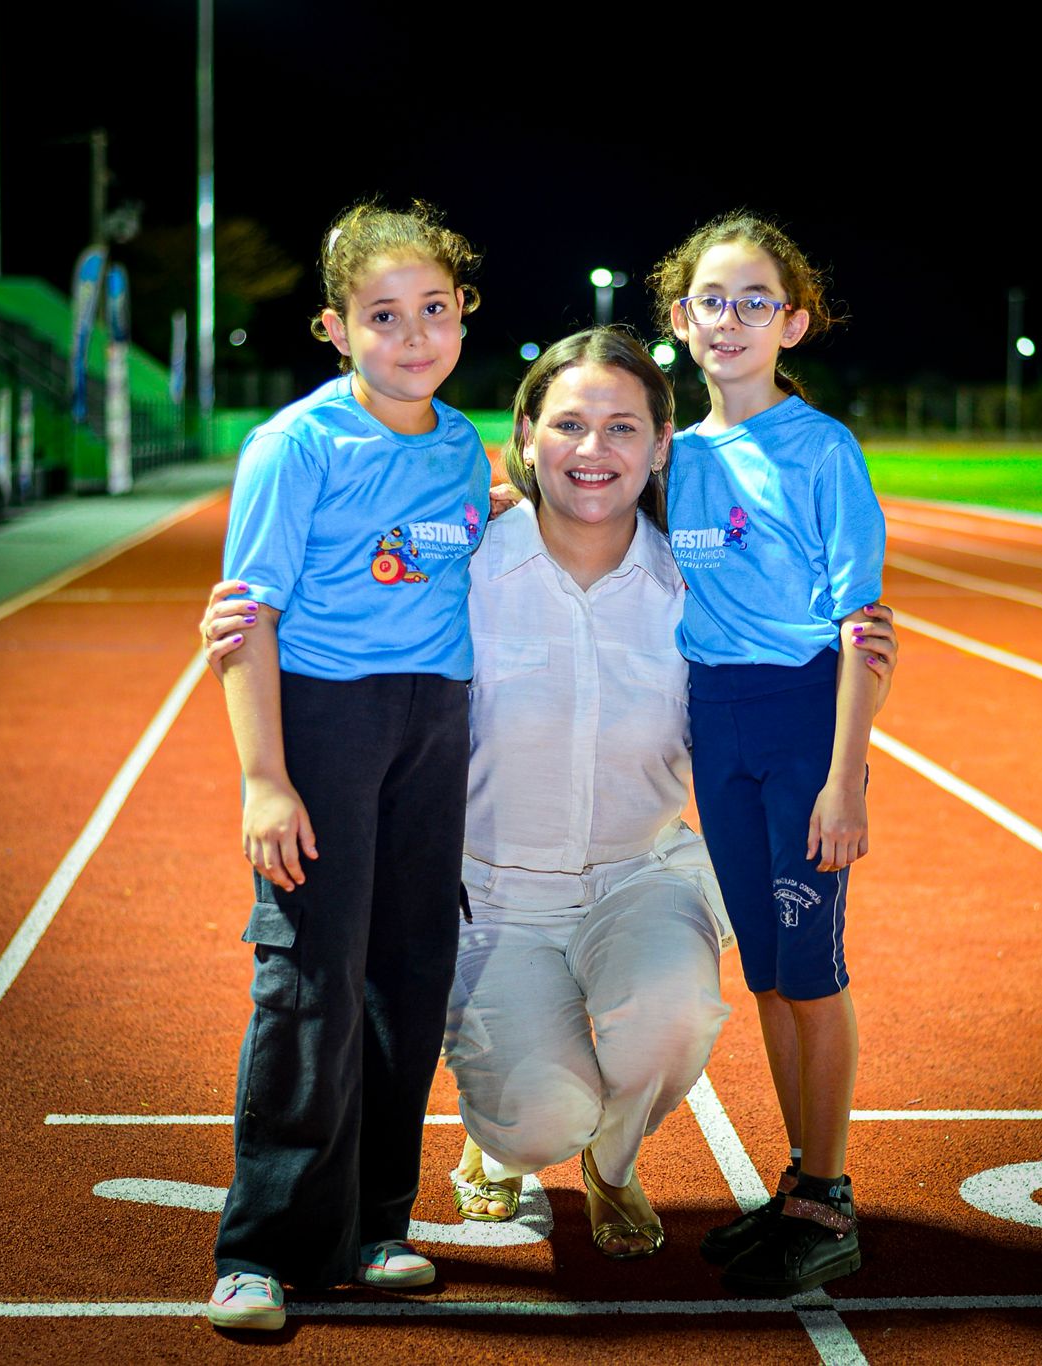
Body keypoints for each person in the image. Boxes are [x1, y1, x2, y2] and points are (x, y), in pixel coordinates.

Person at [198, 331, 900, 1263]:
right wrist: (244, 619)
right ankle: (500, 1144)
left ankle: (613, 1162)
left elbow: (799, 649)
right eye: (568, 424)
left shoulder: (696, 580)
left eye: (622, 428)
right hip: (496, 899)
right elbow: (349, 602)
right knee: (538, 1119)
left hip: (639, 879)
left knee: (676, 1018)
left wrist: (859, 688)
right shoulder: (467, 564)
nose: (593, 449)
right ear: (526, 436)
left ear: (662, 445)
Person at [202, 201, 486, 1332]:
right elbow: (247, 617)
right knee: (311, 978)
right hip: (327, 723)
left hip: (436, 726)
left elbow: (457, 540)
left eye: (434, 309)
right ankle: (261, 1249)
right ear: (334, 327)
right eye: (383, 315)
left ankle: (375, 1221)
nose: (413, 336)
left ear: (463, 313)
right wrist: (264, 778)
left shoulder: (461, 443)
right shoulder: (296, 445)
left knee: (409, 975)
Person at [651, 213, 888, 1297]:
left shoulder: (820, 449)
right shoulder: (676, 456)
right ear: (680, 318)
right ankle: (800, 1182)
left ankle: (829, 1198)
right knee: (765, 975)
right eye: (713, 299)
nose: (732, 318)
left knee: (811, 972)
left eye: (756, 301)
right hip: (717, 721)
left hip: (801, 727)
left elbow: (863, 627)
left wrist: (842, 780)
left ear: (792, 322)